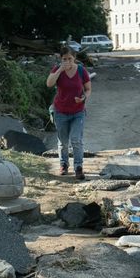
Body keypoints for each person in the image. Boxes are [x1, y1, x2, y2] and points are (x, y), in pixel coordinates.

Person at [46, 46, 91, 180]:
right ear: (61, 59)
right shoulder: (57, 70)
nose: (67, 61)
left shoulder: (82, 71)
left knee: (76, 140)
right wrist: (60, 70)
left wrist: (83, 98)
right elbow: (49, 84)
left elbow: (88, 89)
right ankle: (63, 165)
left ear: (74, 58)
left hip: (78, 112)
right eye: (64, 59)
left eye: (70, 59)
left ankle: (78, 167)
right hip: (60, 111)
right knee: (63, 142)